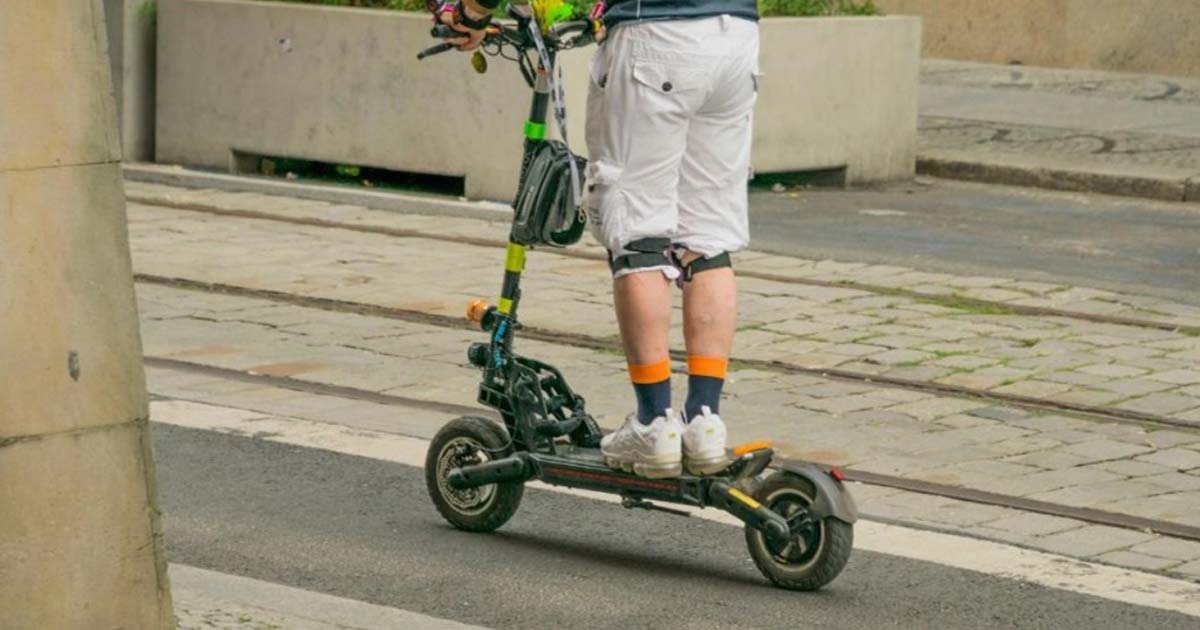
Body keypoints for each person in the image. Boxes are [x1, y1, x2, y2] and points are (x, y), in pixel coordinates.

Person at [445, 0, 759, 479]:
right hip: (736, 35)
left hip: (656, 35)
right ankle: (704, 421)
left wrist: (471, 12)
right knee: (707, 239)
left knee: (639, 236)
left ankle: (654, 424)